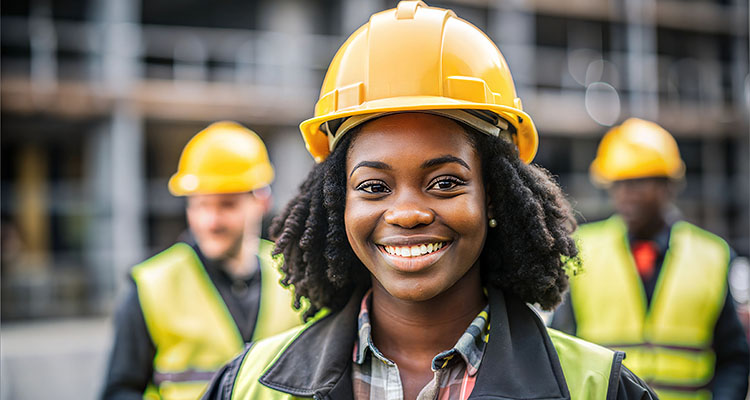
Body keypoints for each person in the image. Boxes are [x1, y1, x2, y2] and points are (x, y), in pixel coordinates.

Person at [202, 2, 656, 399]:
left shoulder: (598, 387)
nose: (407, 213)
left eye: (444, 183)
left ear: (494, 196)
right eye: (374, 187)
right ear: (338, 203)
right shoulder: (246, 387)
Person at [550, 118, 750, 400]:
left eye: (638, 183)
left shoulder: (712, 255)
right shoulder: (582, 250)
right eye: (617, 184)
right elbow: (561, 348)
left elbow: (733, 357)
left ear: (668, 185)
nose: (625, 195)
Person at [102, 121, 304, 399]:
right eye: (200, 205)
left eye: (227, 205)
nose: (210, 221)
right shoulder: (151, 285)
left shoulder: (296, 275)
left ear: (262, 201)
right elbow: (120, 391)